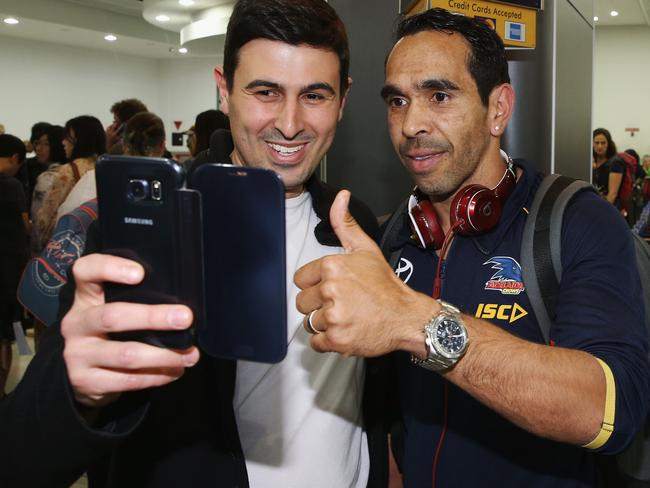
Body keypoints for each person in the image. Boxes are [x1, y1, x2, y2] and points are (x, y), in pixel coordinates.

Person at [0, 1, 381, 487]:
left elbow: (371, 394)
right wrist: (77, 392)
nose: (289, 123)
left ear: (343, 99)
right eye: (266, 91)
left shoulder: (354, 223)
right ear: (224, 90)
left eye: (314, 95)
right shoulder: (151, 229)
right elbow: (20, 456)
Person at [294, 8, 650, 487]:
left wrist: (414, 320)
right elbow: (390, 419)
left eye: (439, 95)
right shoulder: (392, 236)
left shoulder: (576, 220)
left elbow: (612, 410)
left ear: (498, 108)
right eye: (397, 101)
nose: (411, 123)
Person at [32, 115, 105, 251]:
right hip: (99, 241)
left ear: (80, 141)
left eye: (68, 138)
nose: (63, 143)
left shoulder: (68, 171)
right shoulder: (105, 167)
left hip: (69, 244)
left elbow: (45, 221)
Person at [0, 134, 29, 400]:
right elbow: (24, 225)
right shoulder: (12, 186)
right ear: (14, 159)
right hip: (8, 270)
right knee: (10, 330)